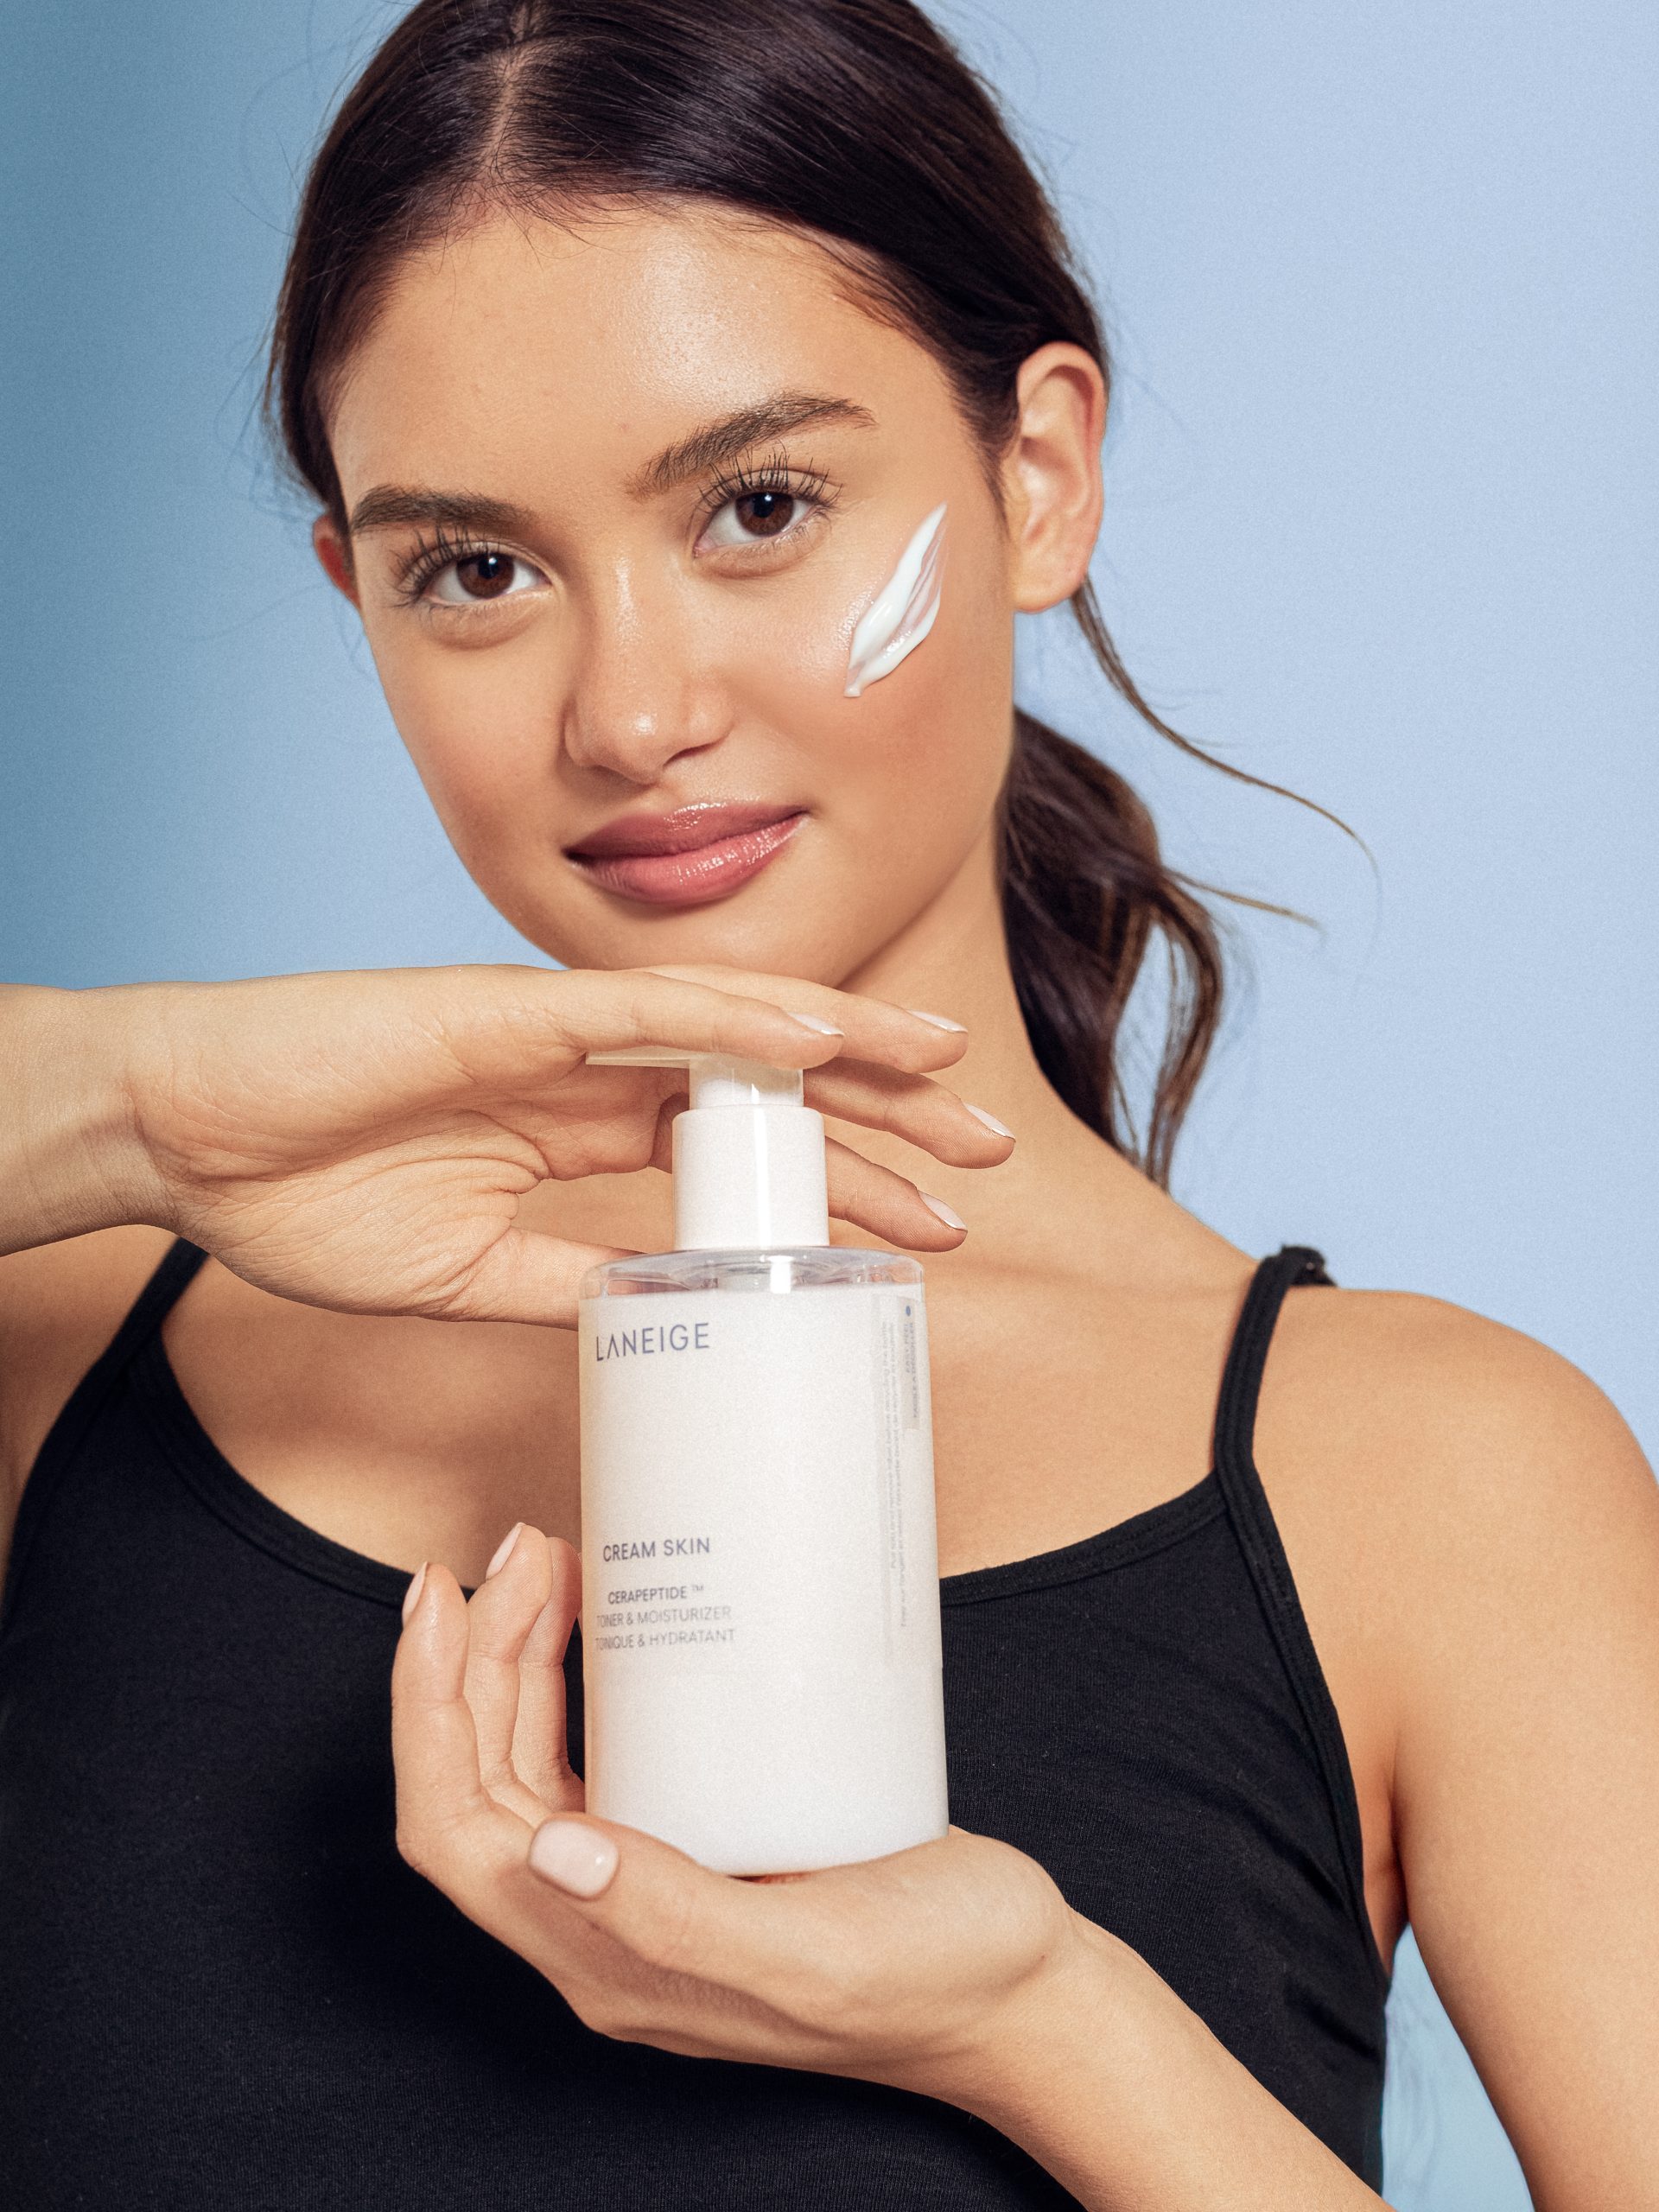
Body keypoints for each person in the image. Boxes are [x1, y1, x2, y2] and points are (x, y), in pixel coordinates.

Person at [2, 2, 1655, 2205]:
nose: (631, 711)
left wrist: (1046, 2022)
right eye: (474, 570)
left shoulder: (1434, 1481)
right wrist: (126, 1100)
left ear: (1037, 476)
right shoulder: (73, 1336)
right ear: (358, 595)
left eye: (759, 507)